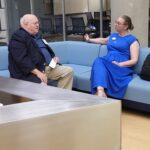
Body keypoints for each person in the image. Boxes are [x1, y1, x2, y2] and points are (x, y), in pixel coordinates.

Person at [8, 14, 73, 90]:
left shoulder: (37, 36)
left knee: (68, 71)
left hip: (47, 66)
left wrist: (53, 58)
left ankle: (62, 98)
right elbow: (22, 60)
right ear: (26, 24)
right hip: (30, 72)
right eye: (35, 23)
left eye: (38, 23)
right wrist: (39, 73)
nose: (38, 25)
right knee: (42, 85)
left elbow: (44, 50)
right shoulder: (18, 36)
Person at [84, 15, 139, 98]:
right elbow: (102, 40)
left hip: (120, 67)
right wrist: (89, 39)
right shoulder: (113, 36)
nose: (115, 24)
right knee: (99, 61)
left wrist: (120, 64)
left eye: (118, 23)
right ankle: (100, 92)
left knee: (99, 61)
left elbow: (134, 60)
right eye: (115, 22)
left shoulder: (132, 40)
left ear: (126, 26)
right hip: (108, 63)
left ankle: (100, 93)